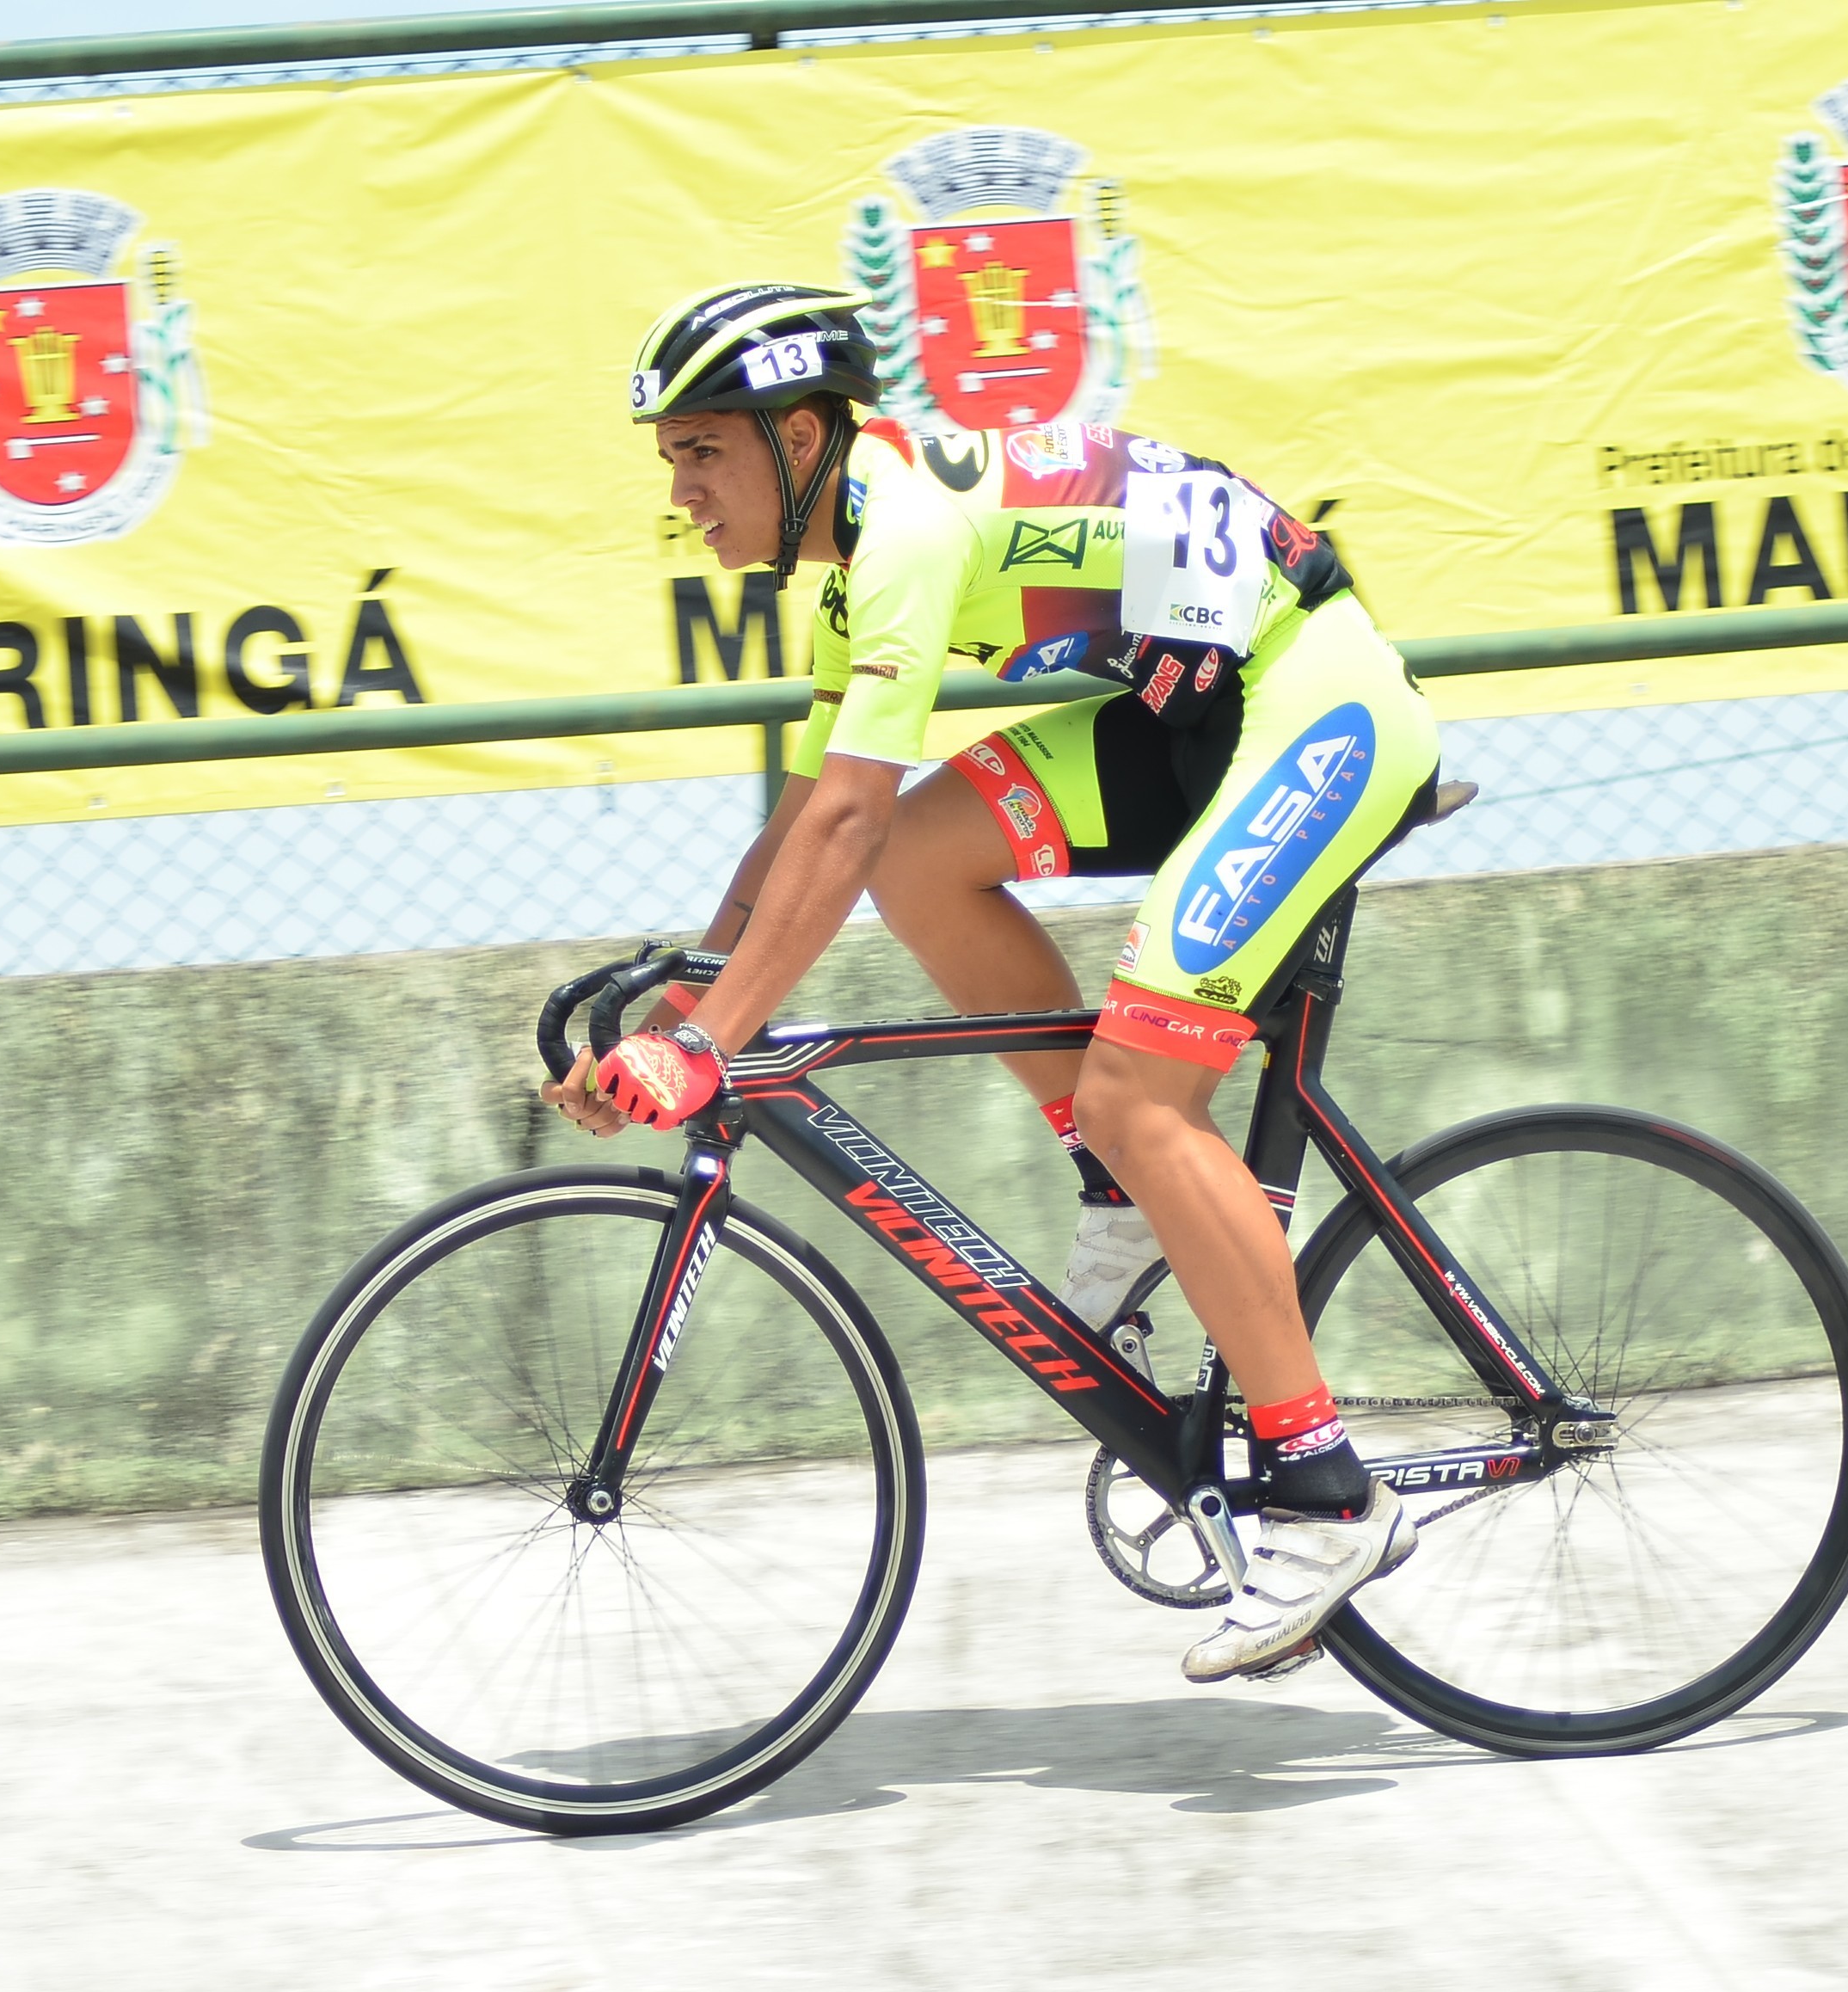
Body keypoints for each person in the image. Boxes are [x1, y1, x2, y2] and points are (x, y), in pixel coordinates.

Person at [545, 280, 1440, 1681]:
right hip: (1187, 708)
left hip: (1308, 697)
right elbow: (818, 821)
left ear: (795, 438)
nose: (685, 495)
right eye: (670, 463)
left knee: (1151, 1096)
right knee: (919, 857)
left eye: (702, 454)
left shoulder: (897, 534)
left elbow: (827, 829)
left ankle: (1325, 1494)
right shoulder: (853, 561)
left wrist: (713, 1047)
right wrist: (682, 1016)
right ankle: (1117, 1192)